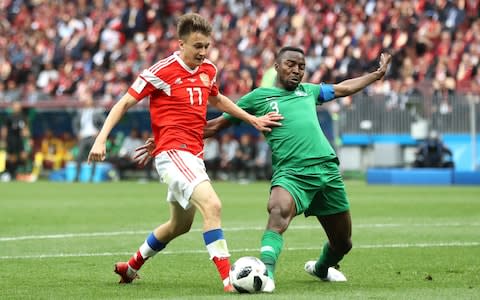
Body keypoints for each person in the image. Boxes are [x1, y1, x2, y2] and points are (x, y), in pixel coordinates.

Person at [136, 47, 391, 292]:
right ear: (277, 66)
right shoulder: (259, 98)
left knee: (343, 243)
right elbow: (215, 126)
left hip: (327, 170)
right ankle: (266, 274)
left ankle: (322, 268)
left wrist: (375, 75)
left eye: (301, 67)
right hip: (292, 173)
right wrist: (167, 139)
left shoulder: (309, 92)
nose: (297, 70)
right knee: (278, 212)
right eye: (291, 64)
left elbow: (343, 88)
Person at [87, 13, 281, 293]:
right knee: (213, 206)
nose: (203, 52)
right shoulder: (160, 71)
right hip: (173, 154)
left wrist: (251, 119)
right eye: (197, 46)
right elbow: (125, 102)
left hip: (193, 155)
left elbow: (216, 98)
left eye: (206, 46)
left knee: (179, 225)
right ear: (181, 44)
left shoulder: (209, 70)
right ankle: (229, 281)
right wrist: (100, 139)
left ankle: (131, 267)